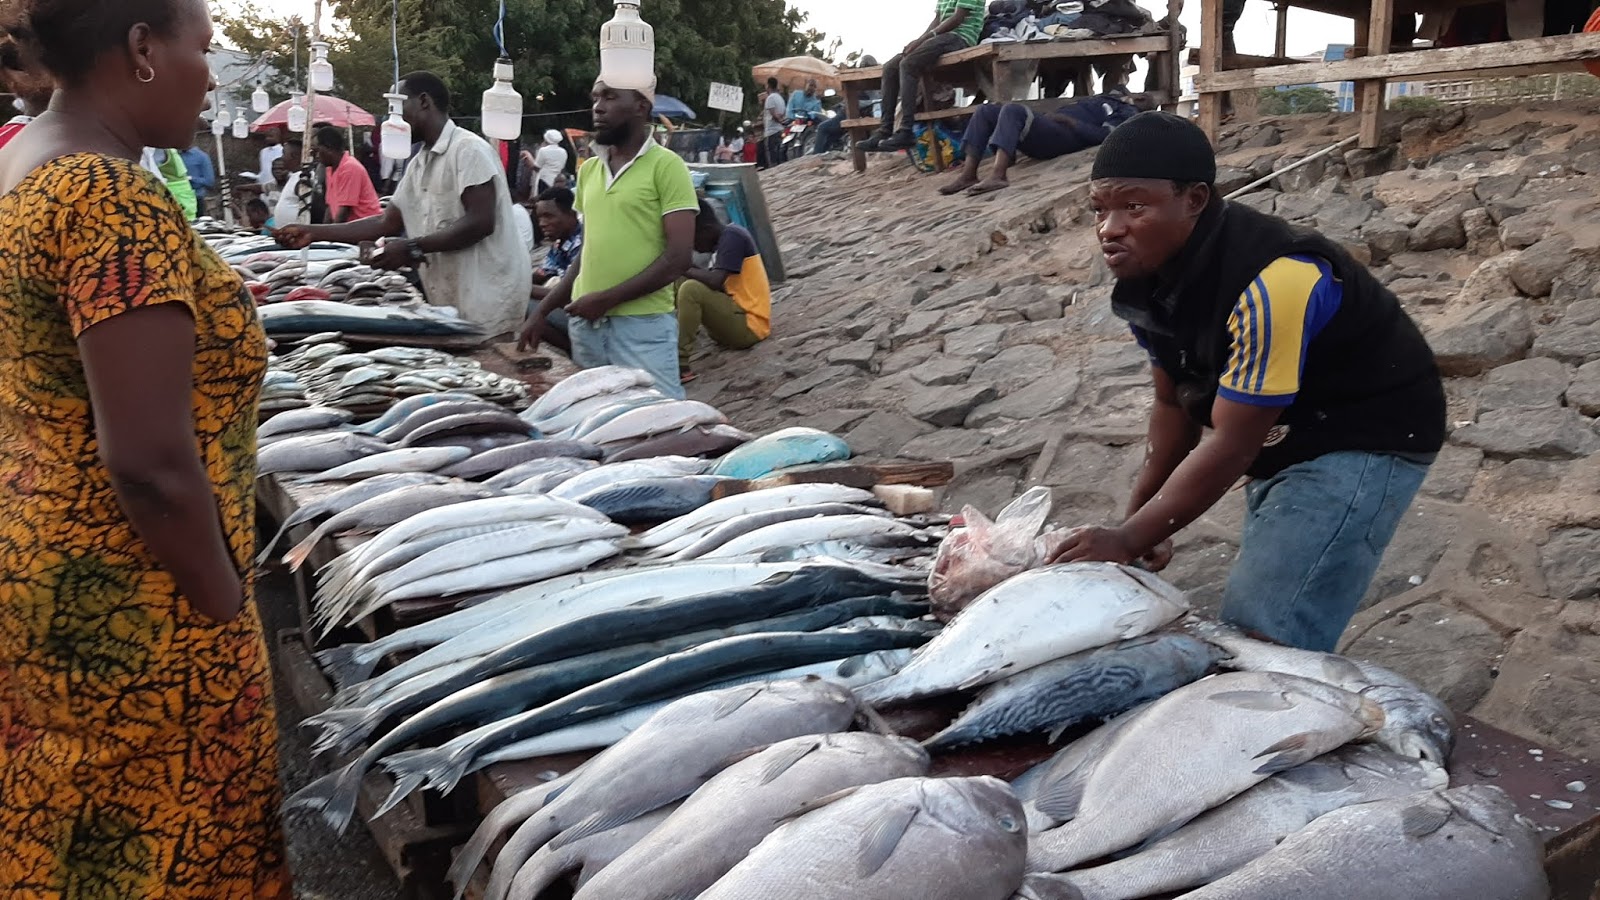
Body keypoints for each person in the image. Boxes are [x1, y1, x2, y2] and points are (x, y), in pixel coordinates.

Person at [0, 0, 291, 893]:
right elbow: (152, 465)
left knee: (73, 834)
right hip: (139, 599)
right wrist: (222, 605)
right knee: (170, 847)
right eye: (203, 49)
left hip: (47, 567)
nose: (210, 75)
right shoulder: (109, 197)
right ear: (141, 50)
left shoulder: (23, 159)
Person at [1046, 113, 1445, 653]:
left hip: (1366, 431)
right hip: (1286, 424)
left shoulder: (1275, 281)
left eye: (1134, 207)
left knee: (1265, 630)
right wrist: (1140, 517)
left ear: (1194, 200)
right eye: (1100, 209)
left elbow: (1234, 444)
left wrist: (1128, 538)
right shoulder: (1148, 275)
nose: (1109, 228)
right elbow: (1172, 401)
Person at [275, 72, 532, 335]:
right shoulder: (419, 162)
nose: (391, 119)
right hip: (454, 294)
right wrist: (313, 232)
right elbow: (386, 222)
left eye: (397, 107)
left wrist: (412, 247)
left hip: (488, 293)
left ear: (424, 102)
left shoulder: (468, 149)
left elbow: (481, 221)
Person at [517, 80, 696, 399]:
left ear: (641, 106)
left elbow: (678, 258)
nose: (598, 107)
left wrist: (607, 299)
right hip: (586, 326)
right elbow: (586, 252)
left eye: (610, 97)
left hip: (642, 326)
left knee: (659, 414)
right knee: (599, 415)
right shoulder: (589, 170)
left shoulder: (667, 167)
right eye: (596, 98)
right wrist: (542, 311)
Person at [939, 91, 1138, 196]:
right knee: (984, 110)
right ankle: (968, 175)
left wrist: (1071, 122)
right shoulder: (1103, 99)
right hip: (1050, 129)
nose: (1140, 96)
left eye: (1145, 99)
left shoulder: (1127, 111)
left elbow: (1105, 135)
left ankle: (998, 175)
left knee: (1013, 110)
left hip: (1065, 137)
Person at [863, 0, 986, 152]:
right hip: (942, 37)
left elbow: (958, 18)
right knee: (890, 67)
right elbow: (938, 19)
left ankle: (906, 130)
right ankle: (885, 129)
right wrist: (919, 41)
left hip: (960, 37)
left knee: (908, 64)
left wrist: (923, 39)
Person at [676, 200, 770, 383]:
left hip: (750, 327)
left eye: (693, 240)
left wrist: (683, 267)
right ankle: (666, 340)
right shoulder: (720, 244)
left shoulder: (733, 236)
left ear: (706, 229)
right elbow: (719, 285)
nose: (694, 248)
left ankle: (679, 363)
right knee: (681, 280)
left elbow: (715, 281)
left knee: (690, 288)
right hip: (732, 321)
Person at [528, 186, 582, 356]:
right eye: (539, 217)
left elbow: (568, 295)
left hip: (581, 312)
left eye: (549, 216)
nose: (542, 223)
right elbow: (542, 273)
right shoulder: (559, 242)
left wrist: (521, 289)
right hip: (566, 306)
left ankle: (573, 350)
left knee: (525, 306)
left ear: (571, 215)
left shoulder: (581, 243)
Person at [314, 126, 382, 223]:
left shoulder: (350, 168)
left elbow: (343, 213)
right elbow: (330, 208)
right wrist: (322, 230)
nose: (316, 156)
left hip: (366, 225)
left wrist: (329, 231)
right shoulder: (330, 169)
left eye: (317, 151)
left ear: (329, 148)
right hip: (350, 226)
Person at [528, 128, 568, 192]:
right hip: (557, 180)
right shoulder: (563, 151)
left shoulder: (543, 150)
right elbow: (562, 167)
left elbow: (537, 167)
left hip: (544, 180)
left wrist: (529, 158)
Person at [180, 142, 215, 214]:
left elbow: (209, 181)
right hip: (178, 197)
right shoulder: (175, 155)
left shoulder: (202, 157)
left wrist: (192, 178)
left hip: (197, 197)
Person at [758, 77, 785, 169]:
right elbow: (782, 114)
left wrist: (778, 120)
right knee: (778, 156)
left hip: (771, 131)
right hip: (780, 130)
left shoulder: (770, 98)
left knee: (771, 158)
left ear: (768, 85)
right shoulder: (780, 98)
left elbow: (773, 114)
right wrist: (781, 121)